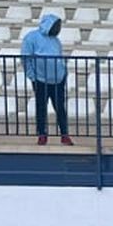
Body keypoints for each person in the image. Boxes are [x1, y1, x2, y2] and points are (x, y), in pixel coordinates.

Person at [21, 12, 71, 146]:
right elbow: (26, 58)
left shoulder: (56, 41)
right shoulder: (31, 38)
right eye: (56, 26)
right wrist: (32, 76)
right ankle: (42, 134)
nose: (58, 29)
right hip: (40, 79)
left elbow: (59, 57)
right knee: (41, 107)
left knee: (60, 107)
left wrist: (63, 73)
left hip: (58, 79)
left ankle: (64, 134)